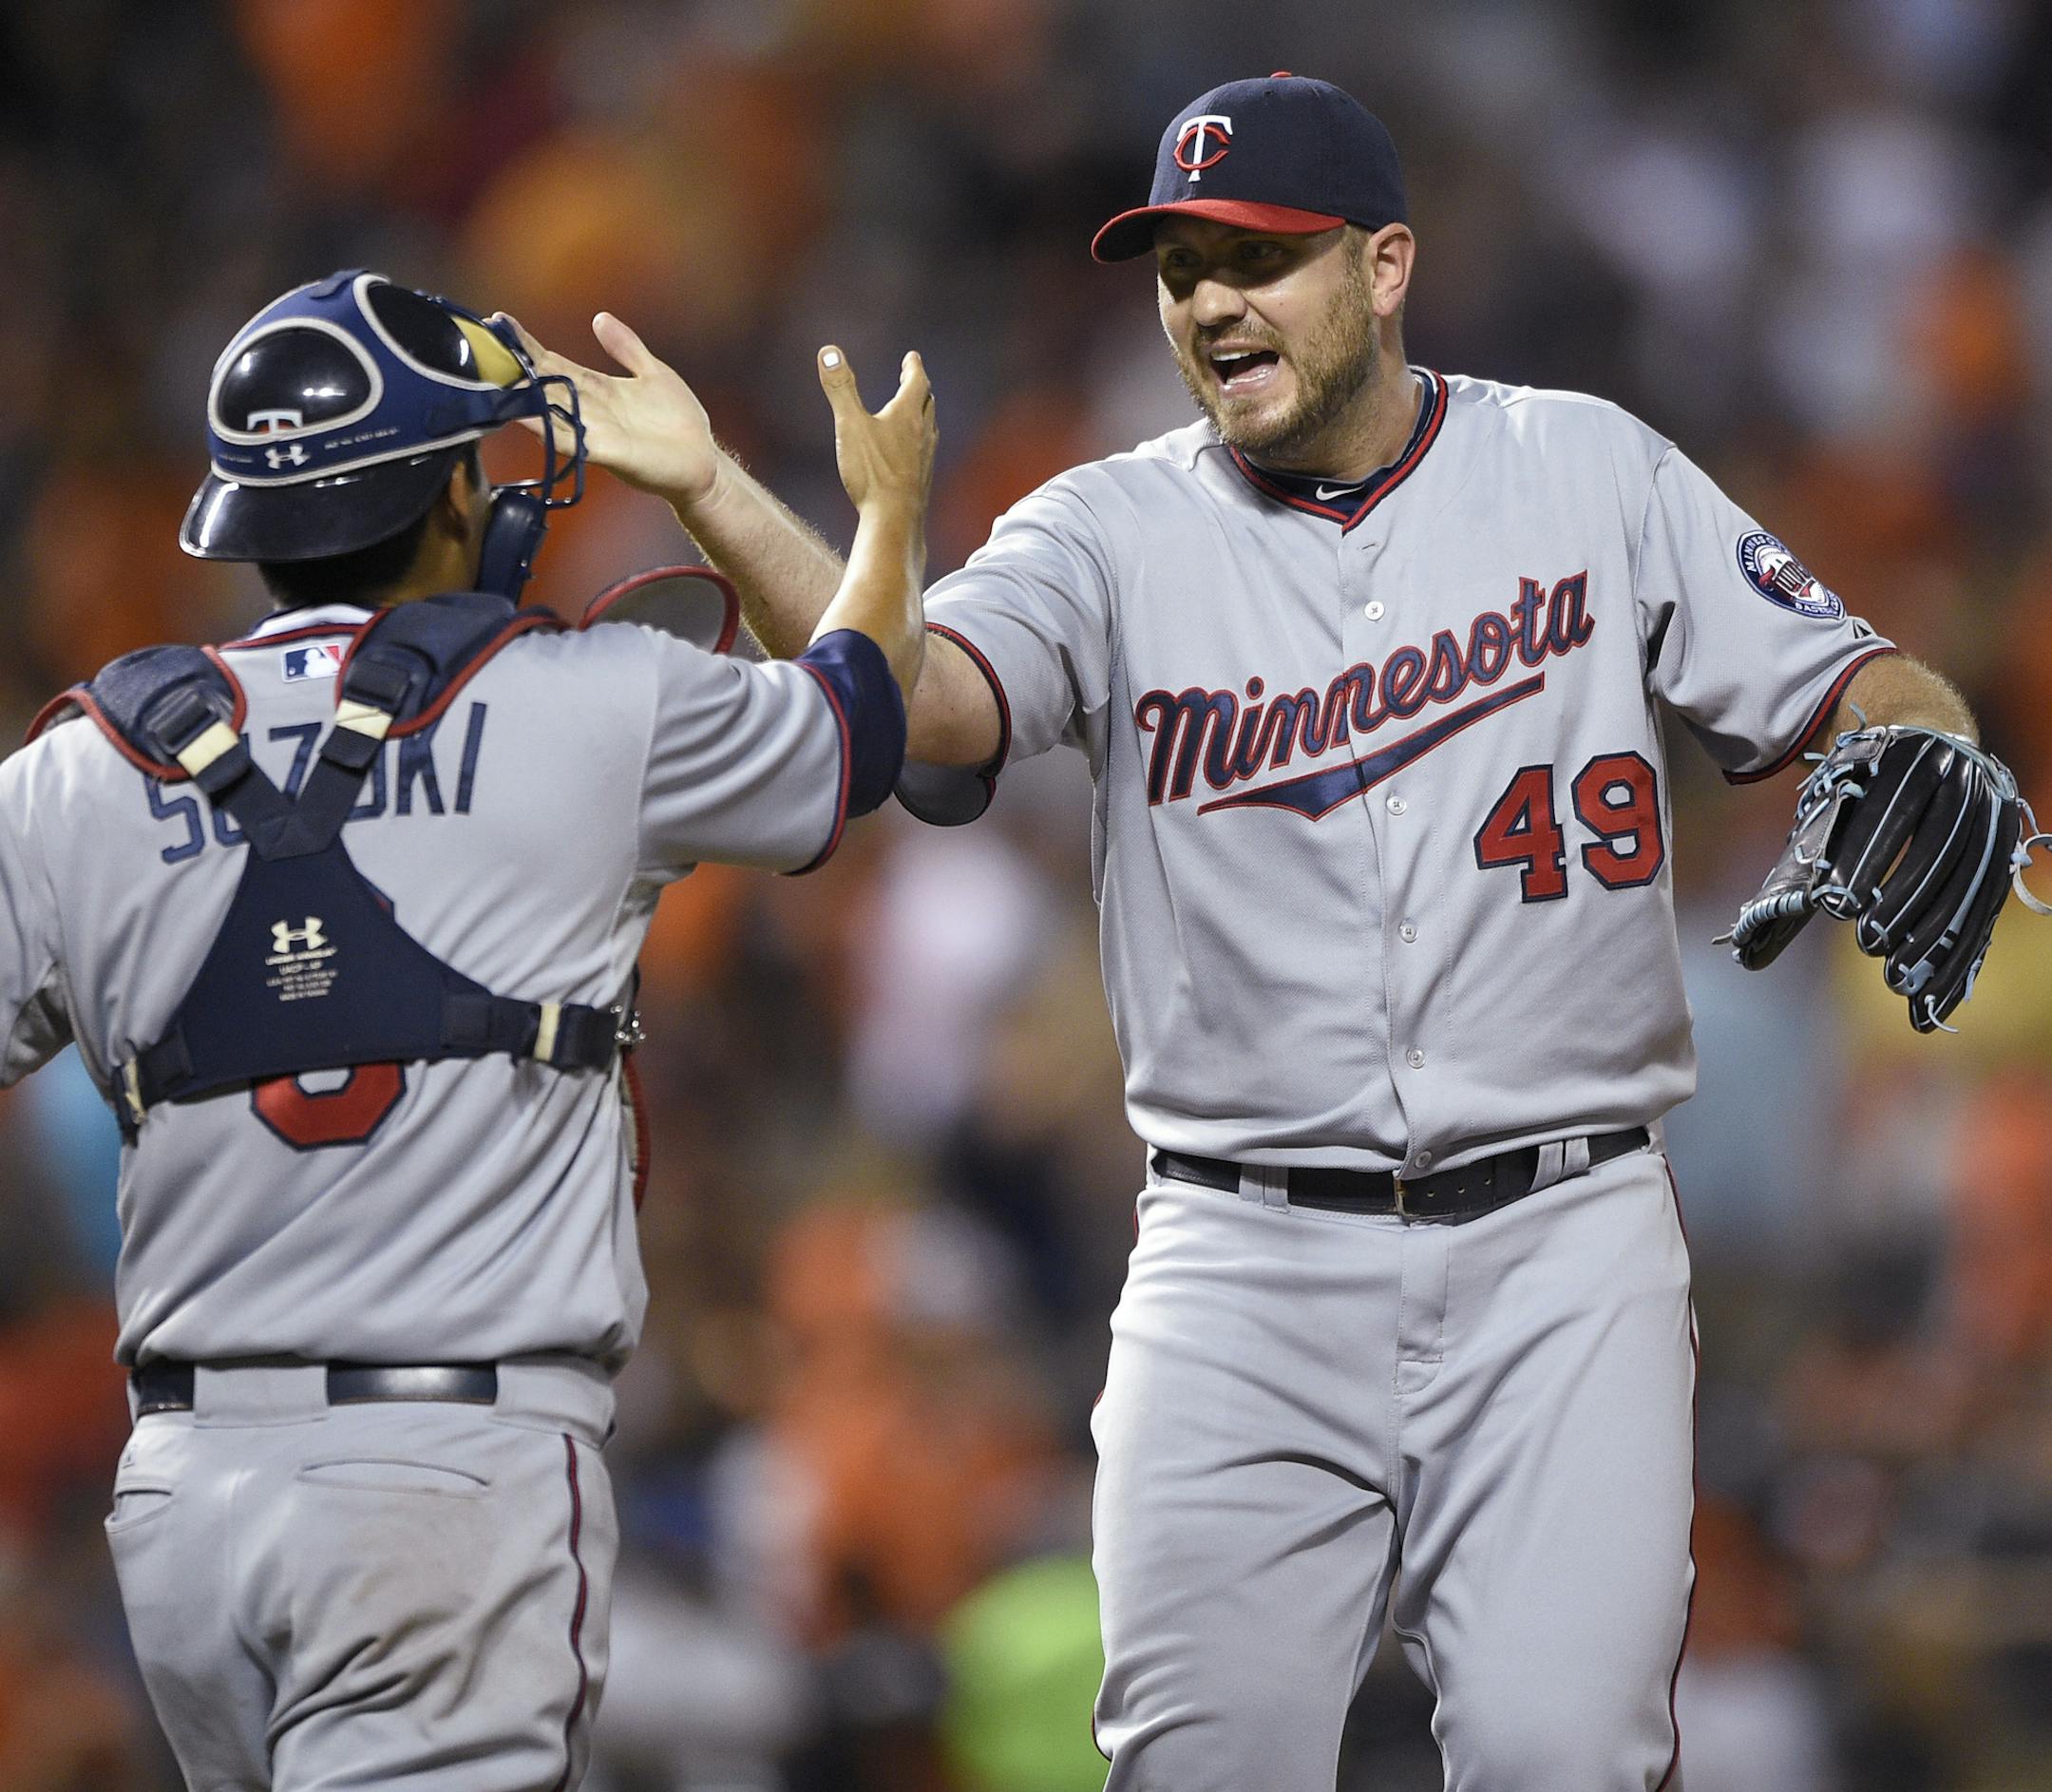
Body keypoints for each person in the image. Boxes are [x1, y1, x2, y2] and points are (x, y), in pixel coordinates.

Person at [513, 73, 2031, 1791]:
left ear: (1386, 267)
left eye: (1261, 256)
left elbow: (1867, 677)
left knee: (1565, 1757)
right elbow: (924, 702)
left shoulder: (1584, 466)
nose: (1210, 300)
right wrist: (719, 485)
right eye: (1178, 267)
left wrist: (1927, 732)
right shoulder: (1106, 527)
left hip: (1566, 1240)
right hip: (1241, 1255)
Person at [0, 267, 935, 1791]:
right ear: (454, 491)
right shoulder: (590, 703)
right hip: (444, 1481)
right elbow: (865, 718)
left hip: (181, 1504)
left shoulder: (75, 773)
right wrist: (856, 508)